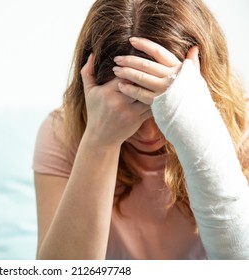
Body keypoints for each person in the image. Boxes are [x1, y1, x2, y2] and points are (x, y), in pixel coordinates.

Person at [33, 0, 249, 260]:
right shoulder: (61, 133)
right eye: (127, 108)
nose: (146, 134)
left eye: (159, 111)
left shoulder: (244, 129)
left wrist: (196, 124)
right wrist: (100, 141)